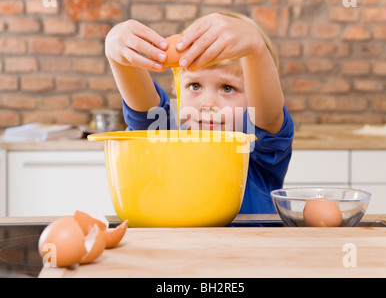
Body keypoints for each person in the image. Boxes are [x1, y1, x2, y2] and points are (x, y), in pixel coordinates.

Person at [105, 12, 294, 213]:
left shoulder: (256, 148)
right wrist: (116, 54)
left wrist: (256, 49)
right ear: (176, 85)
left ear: (256, 93)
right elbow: (142, 107)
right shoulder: (164, 136)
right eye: (195, 85)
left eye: (227, 88)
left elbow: (269, 115)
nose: (207, 104)